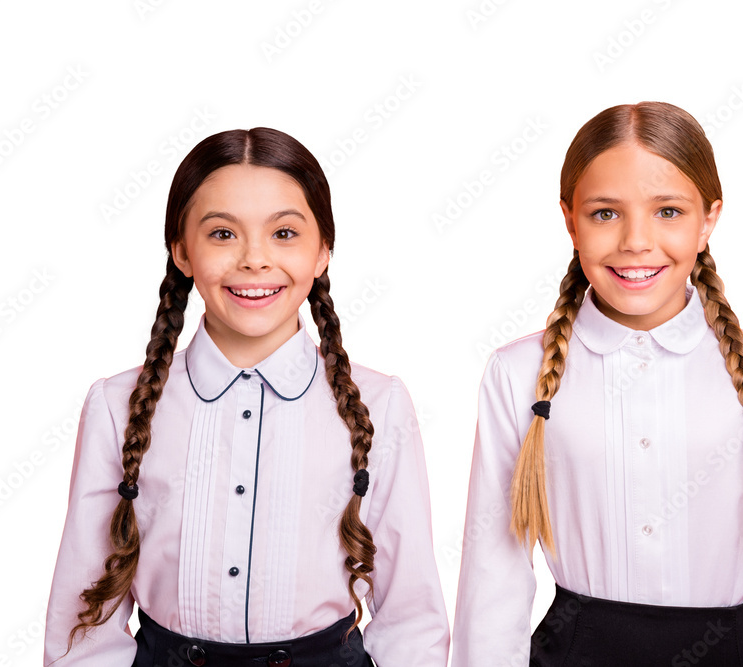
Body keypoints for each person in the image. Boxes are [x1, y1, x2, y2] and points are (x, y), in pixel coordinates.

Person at [451, 102, 743, 666]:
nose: (636, 242)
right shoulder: (516, 374)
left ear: (709, 219)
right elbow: (492, 580)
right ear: (570, 219)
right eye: (604, 214)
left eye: (668, 211)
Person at [44, 127, 450, 667]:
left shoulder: (382, 404)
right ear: (181, 251)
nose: (255, 260)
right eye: (222, 234)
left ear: (323, 251)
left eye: (284, 233)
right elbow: (85, 619)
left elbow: (411, 616)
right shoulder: (115, 405)